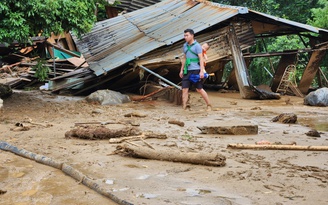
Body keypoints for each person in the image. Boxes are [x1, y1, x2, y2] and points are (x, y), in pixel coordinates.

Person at [179, 29, 211, 111]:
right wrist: (181, 70)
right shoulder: (185, 46)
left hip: (195, 70)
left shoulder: (197, 46)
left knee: (199, 89)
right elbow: (184, 58)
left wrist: (201, 71)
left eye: (187, 35)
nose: (185, 37)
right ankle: (184, 107)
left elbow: (201, 59)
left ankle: (209, 105)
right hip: (187, 70)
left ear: (192, 35)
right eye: (184, 35)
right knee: (184, 89)